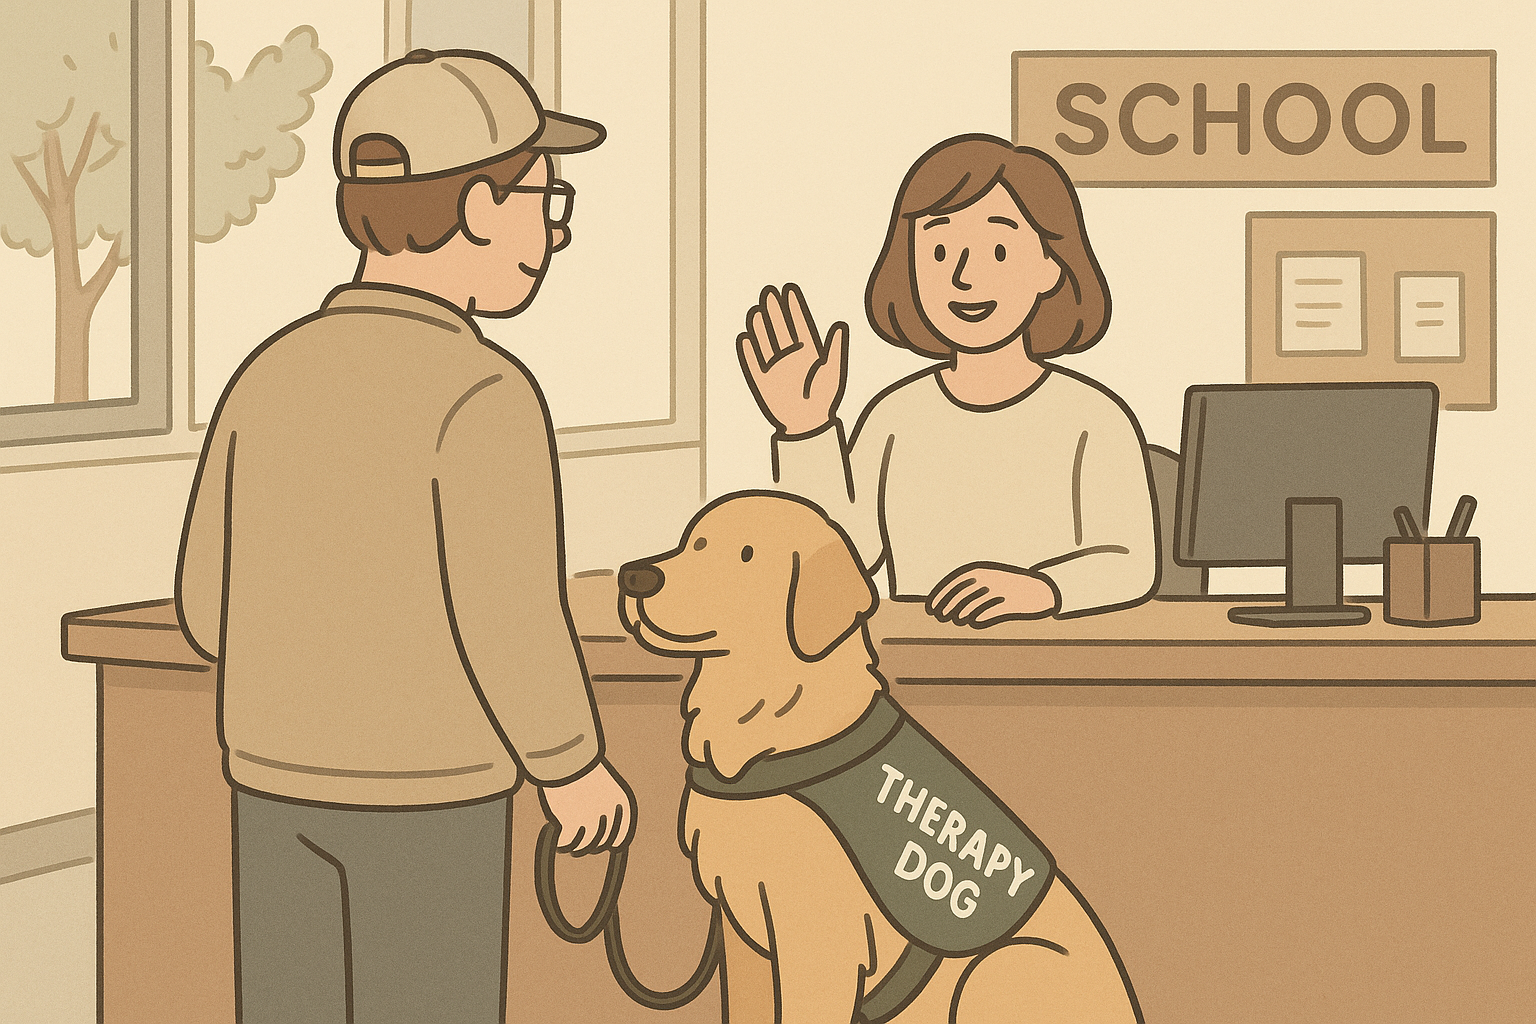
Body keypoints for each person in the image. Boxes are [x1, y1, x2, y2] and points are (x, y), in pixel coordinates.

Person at [174, 49, 634, 1024]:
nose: (553, 233)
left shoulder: (268, 374)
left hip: (271, 787)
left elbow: (204, 612)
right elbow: (511, 618)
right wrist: (572, 767)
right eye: (544, 200)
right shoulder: (486, 394)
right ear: (475, 207)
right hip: (431, 802)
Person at [738, 134, 1157, 625]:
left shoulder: (1093, 416)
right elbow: (842, 561)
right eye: (938, 251)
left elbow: (1131, 564)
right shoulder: (894, 415)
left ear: (1051, 266)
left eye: (998, 250)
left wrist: (1041, 589)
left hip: (1054, 664)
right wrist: (806, 428)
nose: (964, 276)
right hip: (919, 661)